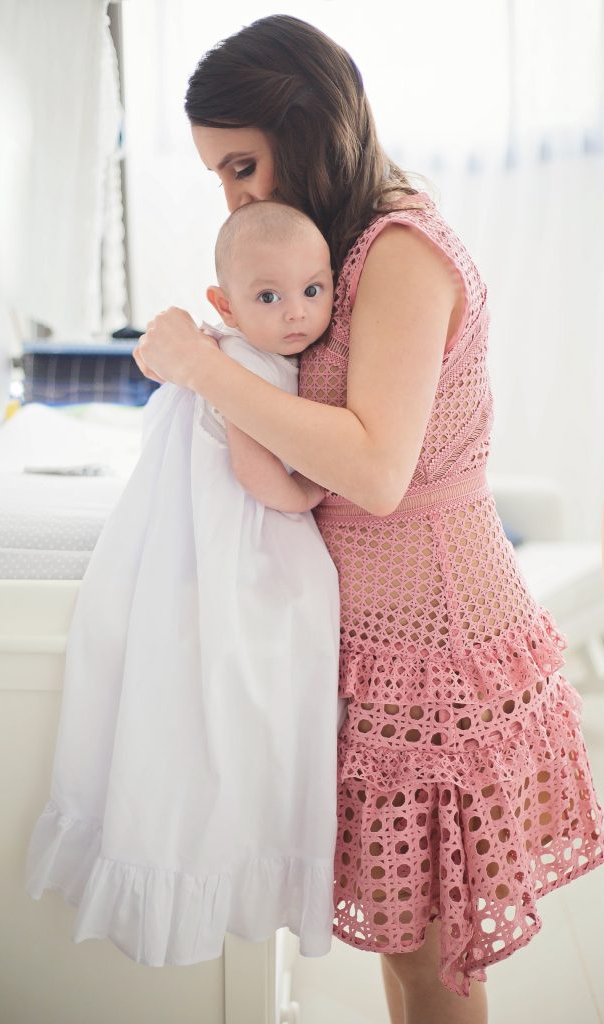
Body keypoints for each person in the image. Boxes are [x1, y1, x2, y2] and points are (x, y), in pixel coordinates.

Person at [131, 14, 604, 1024]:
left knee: (435, 972)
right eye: (219, 176)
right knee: (406, 958)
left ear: (308, 126)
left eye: (243, 165)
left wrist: (203, 367)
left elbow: (375, 469)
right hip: (370, 649)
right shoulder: (336, 252)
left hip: (437, 648)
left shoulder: (401, 251)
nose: (235, 195)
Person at [25, 199, 346, 965]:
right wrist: (313, 491)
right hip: (238, 538)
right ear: (224, 305)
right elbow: (259, 477)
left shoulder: (233, 351)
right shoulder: (244, 369)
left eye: (313, 290)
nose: (296, 312)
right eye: (268, 296)